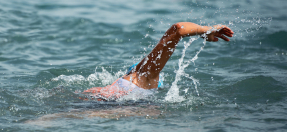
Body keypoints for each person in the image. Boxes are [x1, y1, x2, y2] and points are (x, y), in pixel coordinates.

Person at [82, 22, 234, 101]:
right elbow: (178, 29)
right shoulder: (145, 76)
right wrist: (207, 29)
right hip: (106, 109)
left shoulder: (133, 78)